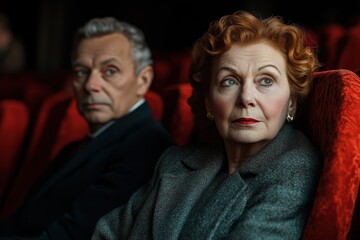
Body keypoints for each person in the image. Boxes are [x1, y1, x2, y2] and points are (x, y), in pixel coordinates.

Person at [92, 10, 323, 239]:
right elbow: (107, 233)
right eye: (229, 81)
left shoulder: (295, 169)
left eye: (266, 80)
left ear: (292, 103)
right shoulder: (173, 162)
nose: (246, 97)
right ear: (209, 102)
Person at [0, 17, 174, 239]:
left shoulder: (147, 149)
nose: (91, 85)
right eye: (82, 71)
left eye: (110, 71)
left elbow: (70, 235)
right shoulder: (74, 147)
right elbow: (22, 220)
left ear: (143, 80)